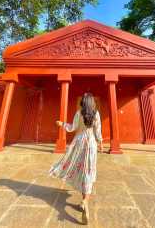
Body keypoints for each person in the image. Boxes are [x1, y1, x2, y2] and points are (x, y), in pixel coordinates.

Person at [48, 92, 104, 225]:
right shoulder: (96, 114)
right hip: (90, 143)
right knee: (88, 171)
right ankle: (85, 201)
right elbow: (98, 130)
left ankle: (83, 199)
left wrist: (61, 124)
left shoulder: (79, 113)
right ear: (92, 102)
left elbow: (72, 128)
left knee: (79, 168)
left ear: (84, 102)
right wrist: (100, 143)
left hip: (79, 143)